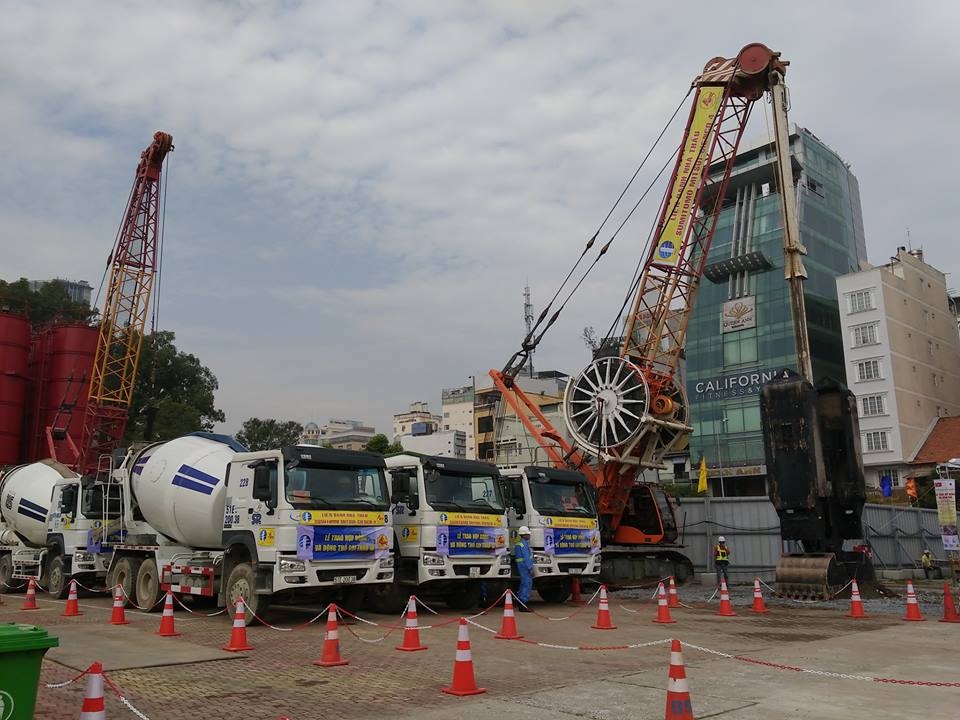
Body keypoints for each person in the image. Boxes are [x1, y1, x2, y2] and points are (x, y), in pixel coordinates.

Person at [514, 526, 534, 611]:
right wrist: (530, 568)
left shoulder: (519, 543)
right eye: (528, 534)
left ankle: (520, 602)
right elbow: (527, 557)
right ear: (524, 535)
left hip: (521, 565)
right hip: (525, 566)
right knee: (527, 584)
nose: (529, 536)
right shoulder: (524, 544)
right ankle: (523, 604)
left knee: (523, 584)